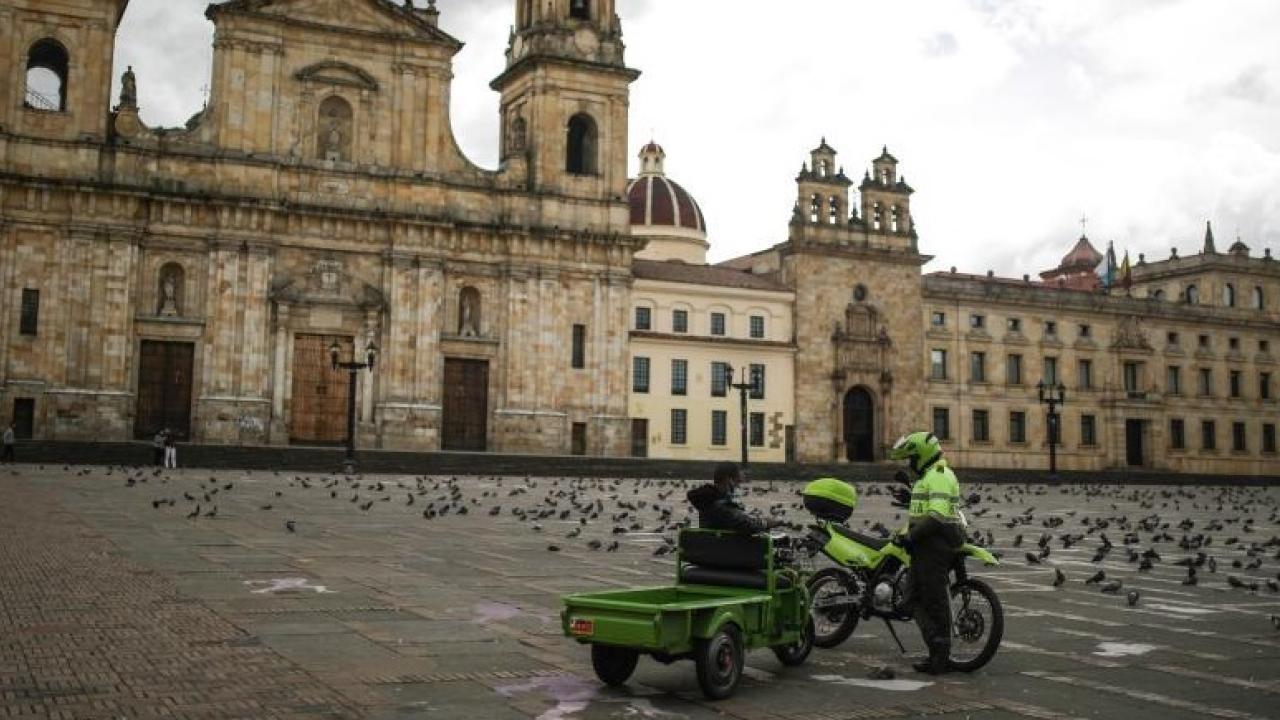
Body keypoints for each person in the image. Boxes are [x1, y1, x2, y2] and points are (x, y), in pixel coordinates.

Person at [888, 431, 964, 676]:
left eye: (911, 458)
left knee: (934, 600)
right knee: (910, 601)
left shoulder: (940, 475)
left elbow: (938, 515)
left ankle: (940, 655)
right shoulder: (927, 476)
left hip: (935, 545)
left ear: (922, 456)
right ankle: (936, 647)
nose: (909, 463)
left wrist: (910, 536)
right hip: (923, 545)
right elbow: (927, 506)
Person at [687, 463, 783, 533]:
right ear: (729, 480)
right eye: (737, 482)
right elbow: (745, 525)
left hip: (708, 554)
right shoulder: (720, 505)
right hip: (727, 555)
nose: (738, 486)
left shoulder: (705, 501)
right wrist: (765, 523)